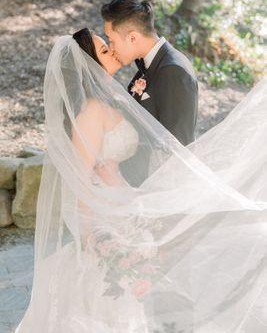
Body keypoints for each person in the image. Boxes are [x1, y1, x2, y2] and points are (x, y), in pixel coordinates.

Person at [15, 30, 267, 333]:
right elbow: (80, 183)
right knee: (105, 299)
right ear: (88, 62)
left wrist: (122, 188)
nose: (113, 53)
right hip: (105, 216)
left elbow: (108, 165)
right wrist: (97, 237)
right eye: (104, 51)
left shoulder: (107, 101)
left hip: (124, 199)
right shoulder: (92, 112)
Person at [101, 0, 198, 146]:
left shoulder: (174, 71)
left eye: (111, 40)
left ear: (132, 38)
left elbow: (178, 145)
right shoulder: (149, 63)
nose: (111, 48)